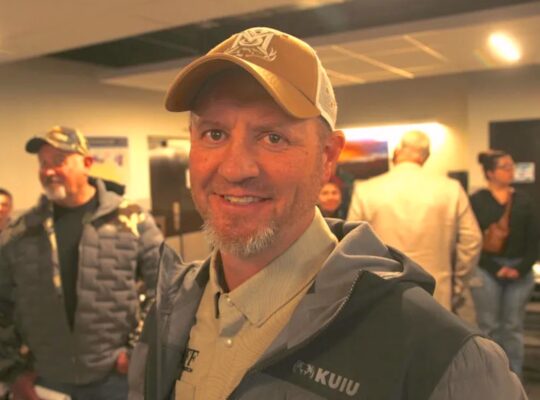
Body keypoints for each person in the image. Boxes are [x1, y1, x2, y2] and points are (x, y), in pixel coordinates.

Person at [129, 27, 526, 400]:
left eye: (273, 137)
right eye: (214, 134)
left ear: (327, 157)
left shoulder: (442, 357)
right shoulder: (171, 310)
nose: (235, 169)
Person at [0, 126, 164, 400]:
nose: (48, 171)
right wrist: (12, 371)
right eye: (43, 163)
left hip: (116, 378)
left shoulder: (131, 219)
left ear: (87, 163)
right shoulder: (22, 231)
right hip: (47, 381)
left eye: (58, 161)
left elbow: (165, 286)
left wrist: (138, 349)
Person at [347, 131, 482, 315]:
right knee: (435, 333)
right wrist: (457, 284)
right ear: (425, 156)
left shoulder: (366, 190)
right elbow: (472, 240)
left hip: (383, 289)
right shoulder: (451, 189)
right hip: (437, 289)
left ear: (397, 151)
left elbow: (353, 244)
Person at [470, 150, 539, 378]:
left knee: (513, 326)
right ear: (490, 172)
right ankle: (489, 377)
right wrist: (496, 268)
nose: (511, 171)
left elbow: (534, 238)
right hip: (487, 269)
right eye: (505, 167)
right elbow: (472, 239)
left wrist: (520, 268)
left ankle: (513, 377)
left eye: (512, 166)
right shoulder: (477, 200)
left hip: (520, 270)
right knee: (488, 326)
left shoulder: (524, 200)